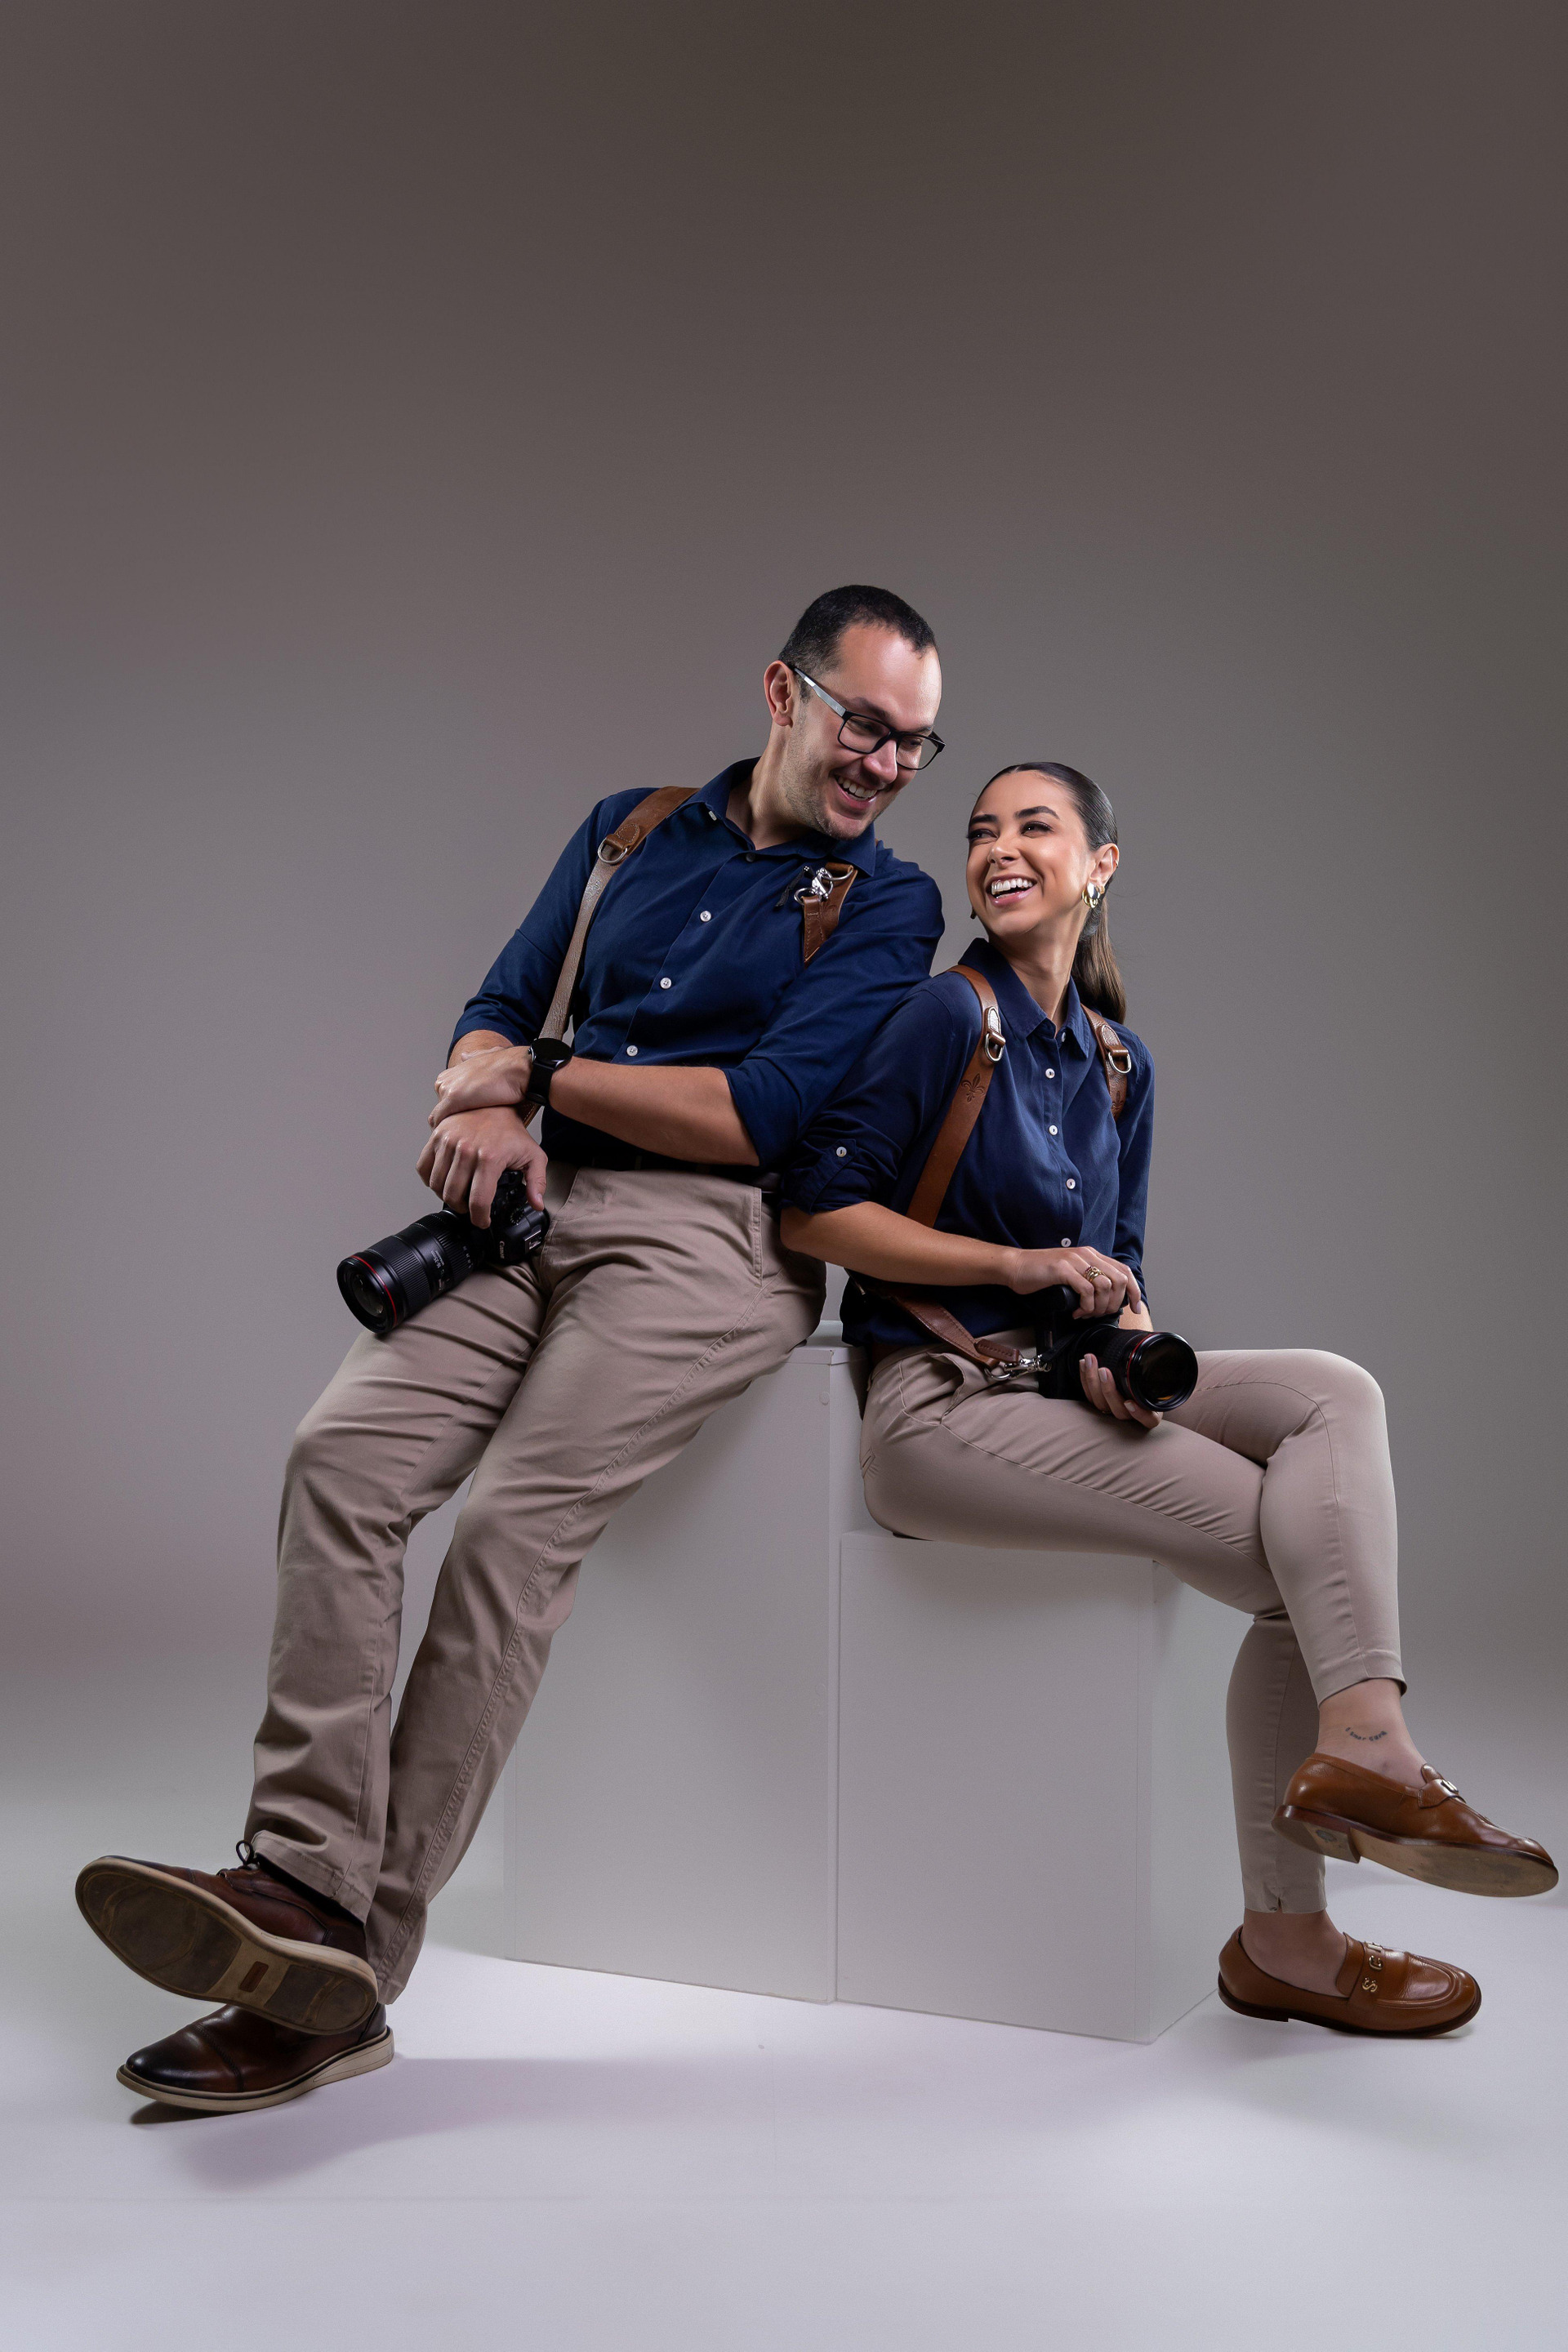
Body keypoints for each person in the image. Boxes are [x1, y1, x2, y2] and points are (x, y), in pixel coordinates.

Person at [78, 586, 947, 2112]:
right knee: (339, 1460)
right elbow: (496, 1001)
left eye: (917, 744)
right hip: (533, 1209)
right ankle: (295, 1881)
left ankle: (349, 1960)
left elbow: (760, 1113)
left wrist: (531, 1076)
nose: (886, 765)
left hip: (710, 1245)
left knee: (508, 1534)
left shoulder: (889, 902)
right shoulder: (629, 830)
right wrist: (485, 1100)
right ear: (782, 691)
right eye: (865, 723)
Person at [779, 760, 1555, 2037]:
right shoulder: (943, 1019)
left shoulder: (1119, 1065)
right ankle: (1292, 1930)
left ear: (1101, 865)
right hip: (941, 1406)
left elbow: (1120, 1276)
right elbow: (816, 1211)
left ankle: (1363, 1753)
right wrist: (1014, 1268)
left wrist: (1121, 1354)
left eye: (1035, 826)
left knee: (1335, 1394)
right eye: (981, 830)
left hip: (1056, 1391)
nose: (999, 848)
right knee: (1302, 1557)